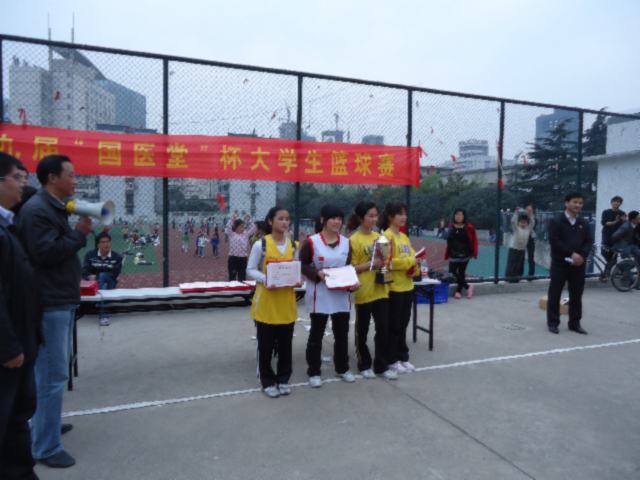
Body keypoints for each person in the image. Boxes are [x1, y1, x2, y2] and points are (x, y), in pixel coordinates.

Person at [17, 155, 92, 468]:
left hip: (57, 298)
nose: (75, 181)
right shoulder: (38, 211)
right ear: (52, 178)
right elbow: (46, 253)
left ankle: (45, 424)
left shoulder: (51, 208)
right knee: (52, 374)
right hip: (49, 302)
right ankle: (45, 447)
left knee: (48, 373)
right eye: (71, 175)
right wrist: (79, 233)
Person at [0, 153, 41, 480]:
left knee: (17, 418)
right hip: (9, 352)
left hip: (20, 343)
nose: (23, 185)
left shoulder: (8, 225)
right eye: (17, 178)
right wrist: (9, 346)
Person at [300, 205, 357, 388]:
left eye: (339, 219)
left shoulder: (347, 243)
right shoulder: (312, 242)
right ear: (323, 220)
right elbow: (302, 265)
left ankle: (342, 368)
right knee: (316, 335)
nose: (336, 222)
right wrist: (316, 274)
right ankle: (314, 372)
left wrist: (352, 282)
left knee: (342, 334)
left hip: (341, 295)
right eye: (332, 218)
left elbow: (348, 267)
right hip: (320, 294)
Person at [246, 207, 298, 398]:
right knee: (266, 345)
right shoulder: (261, 245)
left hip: (286, 302)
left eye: (287, 219)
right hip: (266, 303)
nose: (285, 222)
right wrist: (266, 279)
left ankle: (283, 379)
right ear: (270, 221)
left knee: (285, 345)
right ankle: (267, 381)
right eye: (280, 218)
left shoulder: (293, 245)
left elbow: (296, 269)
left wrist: (297, 279)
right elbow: (250, 269)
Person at [348, 201, 398, 381]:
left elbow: (385, 262)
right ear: (361, 218)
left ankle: (381, 365)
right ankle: (364, 364)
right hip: (363, 290)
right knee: (362, 330)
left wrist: (385, 259)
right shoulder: (353, 240)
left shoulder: (380, 237)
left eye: (376, 215)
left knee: (383, 328)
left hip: (381, 289)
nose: (374, 219)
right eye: (370, 215)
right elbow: (351, 268)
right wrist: (372, 263)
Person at [546, 192, 593, 335]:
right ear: (567, 203)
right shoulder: (556, 221)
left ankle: (575, 323)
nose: (578, 205)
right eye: (575, 202)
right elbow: (555, 242)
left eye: (580, 203)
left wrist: (582, 256)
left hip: (578, 265)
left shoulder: (583, 223)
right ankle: (553, 322)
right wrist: (571, 253)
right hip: (560, 264)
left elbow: (588, 241)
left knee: (577, 294)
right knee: (555, 293)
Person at [381, 202, 418, 374]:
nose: (404, 217)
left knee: (403, 324)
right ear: (390, 217)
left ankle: (403, 356)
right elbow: (386, 263)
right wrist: (409, 262)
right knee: (394, 325)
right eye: (400, 214)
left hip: (407, 286)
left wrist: (414, 268)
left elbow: (413, 257)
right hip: (394, 288)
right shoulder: (385, 237)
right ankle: (391, 359)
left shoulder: (404, 237)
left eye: (405, 213)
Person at [82, 232, 123, 326]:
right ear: (98, 245)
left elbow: (114, 274)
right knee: (102, 282)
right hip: (93, 283)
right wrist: (89, 276)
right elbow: (84, 271)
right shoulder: (90, 255)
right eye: (103, 242)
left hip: (110, 282)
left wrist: (98, 276)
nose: (106, 244)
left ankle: (103, 313)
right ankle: (102, 309)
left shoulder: (117, 257)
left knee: (103, 276)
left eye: (108, 241)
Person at [444, 209, 478, 299]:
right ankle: (468, 287)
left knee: (461, 273)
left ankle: (458, 291)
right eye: (457, 215)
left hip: (465, 254)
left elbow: (474, 240)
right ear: (454, 216)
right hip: (453, 253)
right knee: (452, 272)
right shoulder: (451, 226)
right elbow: (449, 240)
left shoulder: (469, 227)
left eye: (460, 215)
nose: (458, 216)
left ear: (464, 216)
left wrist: (474, 252)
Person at [504, 208, 535, 282]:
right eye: (521, 222)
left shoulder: (528, 229)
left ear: (527, 223)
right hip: (514, 248)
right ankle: (509, 278)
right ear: (518, 223)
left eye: (525, 222)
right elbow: (513, 222)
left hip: (522, 249)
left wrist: (530, 215)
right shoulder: (516, 229)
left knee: (519, 264)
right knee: (512, 263)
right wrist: (516, 214)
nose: (523, 224)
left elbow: (532, 223)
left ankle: (518, 277)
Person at [226, 213, 256, 281]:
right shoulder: (231, 234)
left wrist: (249, 219)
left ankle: (241, 286)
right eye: (241, 226)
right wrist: (232, 219)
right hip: (233, 258)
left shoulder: (246, 234)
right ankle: (232, 286)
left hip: (243, 259)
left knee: (242, 276)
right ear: (236, 227)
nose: (243, 228)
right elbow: (228, 226)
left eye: (244, 226)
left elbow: (253, 228)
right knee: (232, 276)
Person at [600, 196, 626, 267]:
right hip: (607, 237)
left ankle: (608, 272)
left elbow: (624, 226)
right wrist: (615, 221)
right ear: (611, 202)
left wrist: (625, 221)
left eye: (618, 202)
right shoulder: (606, 212)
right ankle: (611, 269)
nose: (616, 203)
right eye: (615, 201)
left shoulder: (622, 213)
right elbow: (605, 223)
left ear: (620, 204)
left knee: (613, 256)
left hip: (616, 238)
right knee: (604, 253)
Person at [525, 205, 537, 279]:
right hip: (522, 238)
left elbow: (532, 226)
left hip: (530, 238)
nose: (528, 211)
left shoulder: (534, 219)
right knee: (519, 256)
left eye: (530, 210)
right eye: (527, 210)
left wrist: (531, 216)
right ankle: (517, 274)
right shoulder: (523, 217)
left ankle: (531, 275)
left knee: (531, 257)